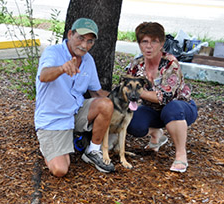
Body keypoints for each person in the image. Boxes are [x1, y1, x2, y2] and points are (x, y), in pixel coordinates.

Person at [34, 18, 115, 177]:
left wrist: (124, 97)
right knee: (60, 170)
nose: (84, 45)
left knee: (106, 104)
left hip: (74, 113)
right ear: (70, 34)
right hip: (52, 119)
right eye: (81, 38)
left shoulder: (88, 60)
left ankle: (92, 151)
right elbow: (43, 76)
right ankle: (51, 146)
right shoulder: (53, 52)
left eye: (90, 41)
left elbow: (96, 93)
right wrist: (62, 68)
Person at [126, 22, 198, 173]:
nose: (149, 46)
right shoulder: (135, 64)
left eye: (154, 41)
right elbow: (124, 87)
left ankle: (181, 155)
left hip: (181, 109)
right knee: (133, 123)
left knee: (171, 109)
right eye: (144, 41)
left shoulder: (170, 62)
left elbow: (164, 97)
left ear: (162, 44)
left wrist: (138, 92)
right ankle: (157, 134)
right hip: (153, 110)